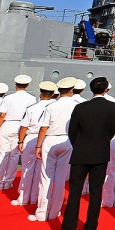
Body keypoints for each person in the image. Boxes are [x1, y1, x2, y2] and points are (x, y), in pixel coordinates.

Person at [54, 77, 115, 230]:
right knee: (96, 192)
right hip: (100, 154)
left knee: (74, 193)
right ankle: (90, 229)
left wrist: (79, 146)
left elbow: (72, 131)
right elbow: (112, 130)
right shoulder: (113, 108)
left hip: (81, 154)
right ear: (106, 90)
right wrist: (101, 144)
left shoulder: (80, 107)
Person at [30, 77, 79, 222]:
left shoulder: (51, 106)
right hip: (67, 140)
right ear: (71, 91)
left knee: (46, 177)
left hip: (50, 140)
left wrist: (38, 145)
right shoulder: (76, 105)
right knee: (61, 178)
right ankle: (55, 211)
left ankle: (41, 212)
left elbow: (43, 127)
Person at [11, 81, 57, 206]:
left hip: (31, 139)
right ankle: (37, 198)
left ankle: (23, 198)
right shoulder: (55, 107)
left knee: (27, 169)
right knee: (42, 171)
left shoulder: (32, 108)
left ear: (41, 93)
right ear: (53, 94)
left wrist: (20, 141)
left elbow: (24, 127)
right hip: (47, 140)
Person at [0, 75, 36, 191]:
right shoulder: (32, 99)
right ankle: (9, 182)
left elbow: (2, 115)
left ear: (16, 85)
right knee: (14, 156)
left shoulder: (8, 98)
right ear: (27, 85)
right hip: (20, 126)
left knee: (2, 154)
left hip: (7, 124)